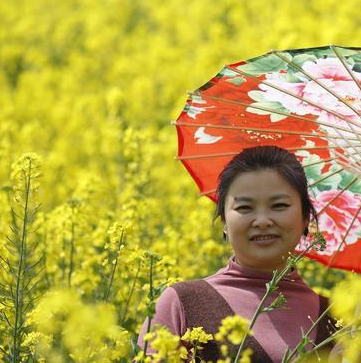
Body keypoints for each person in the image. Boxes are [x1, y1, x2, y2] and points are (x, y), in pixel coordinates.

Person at [137, 145, 335, 361]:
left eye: (279, 205)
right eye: (244, 208)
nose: (262, 221)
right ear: (224, 222)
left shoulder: (334, 318)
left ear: (305, 217)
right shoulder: (182, 303)